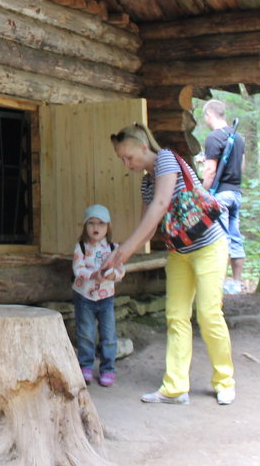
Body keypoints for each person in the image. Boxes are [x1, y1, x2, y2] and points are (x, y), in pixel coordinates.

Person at [101, 122, 235, 406]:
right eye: (122, 159)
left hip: (209, 246)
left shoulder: (166, 160)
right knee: (176, 317)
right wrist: (120, 257)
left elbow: (162, 205)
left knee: (209, 315)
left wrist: (125, 251)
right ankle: (175, 387)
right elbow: (147, 227)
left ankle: (224, 381)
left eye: (129, 157)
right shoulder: (146, 182)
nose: (127, 164)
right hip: (180, 252)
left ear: (143, 147)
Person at [71, 204, 125, 387]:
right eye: (91, 223)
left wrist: (112, 275)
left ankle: (108, 368)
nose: (96, 227)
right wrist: (92, 275)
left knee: (108, 334)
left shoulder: (113, 248)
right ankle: (86, 365)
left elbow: (120, 270)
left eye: (101, 223)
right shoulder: (80, 247)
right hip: (84, 296)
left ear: (108, 227)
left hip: (106, 297)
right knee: (86, 333)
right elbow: (78, 269)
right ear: (85, 226)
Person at [201, 100, 246, 293]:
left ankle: (219, 283)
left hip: (221, 195)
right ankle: (236, 283)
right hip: (236, 192)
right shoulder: (239, 138)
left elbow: (210, 171)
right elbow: (241, 167)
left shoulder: (213, 138)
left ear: (208, 115)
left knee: (220, 239)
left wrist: (202, 193)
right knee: (235, 237)